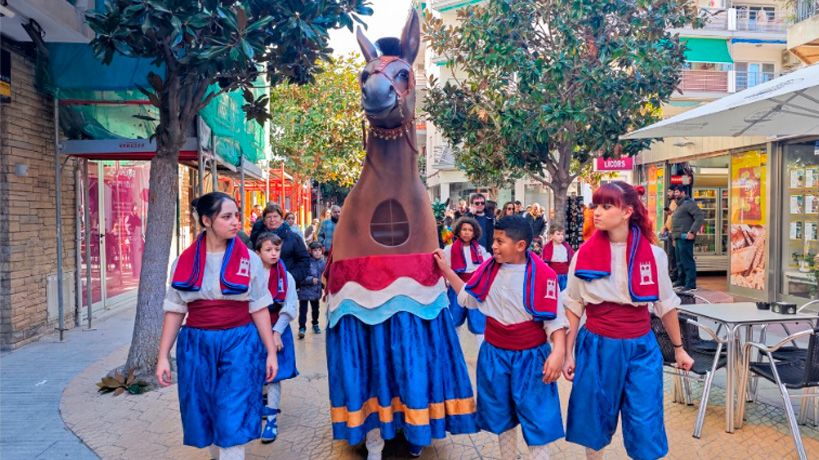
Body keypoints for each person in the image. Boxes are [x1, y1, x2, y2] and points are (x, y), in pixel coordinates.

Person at [561, 181, 694, 460]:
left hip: (641, 346)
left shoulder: (654, 255)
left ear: (627, 211)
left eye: (606, 206)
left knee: (645, 419)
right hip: (597, 345)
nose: (597, 212)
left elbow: (666, 305)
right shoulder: (583, 255)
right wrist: (567, 353)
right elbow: (574, 305)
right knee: (595, 417)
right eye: (596, 205)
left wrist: (679, 348)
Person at [434, 215, 568, 460]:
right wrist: (446, 270)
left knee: (537, 419)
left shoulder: (543, 275)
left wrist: (559, 352)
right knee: (502, 416)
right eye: (493, 240)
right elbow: (467, 298)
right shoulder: (488, 270)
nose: (493, 246)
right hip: (495, 355)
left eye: (500, 241)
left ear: (520, 245)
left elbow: (555, 319)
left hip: (531, 358)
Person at [156, 192, 278, 460]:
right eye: (227, 216)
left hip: (240, 342)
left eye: (237, 215)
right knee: (205, 408)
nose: (236, 222)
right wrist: (163, 356)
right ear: (206, 220)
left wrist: (270, 351)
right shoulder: (183, 262)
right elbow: (175, 311)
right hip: (197, 344)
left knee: (234, 409)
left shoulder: (250, 259)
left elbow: (259, 307)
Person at [255, 232, 299, 444]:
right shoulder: (251, 276)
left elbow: (290, 306)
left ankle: (271, 420)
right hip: (253, 330)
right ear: (258, 252)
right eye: (268, 250)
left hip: (277, 328)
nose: (273, 254)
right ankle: (257, 410)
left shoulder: (286, 277)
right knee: (255, 373)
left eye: (277, 250)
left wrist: (277, 332)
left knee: (274, 375)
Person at [442, 217, 490, 347]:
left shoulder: (480, 250)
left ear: (475, 233)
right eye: (464, 229)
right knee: (454, 320)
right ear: (459, 231)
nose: (467, 232)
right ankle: (455, 351)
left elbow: (487, 267)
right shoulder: (450, 249)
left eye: (470, 230)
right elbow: (445, 267)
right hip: (456, 288)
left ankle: (482, 351)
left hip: (475, 288)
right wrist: (448, 281)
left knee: (479, 322)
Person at [249, 204, 310, 284]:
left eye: (275, 216)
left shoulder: (294, 238)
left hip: (288, 282)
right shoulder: (256, 238)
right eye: (269, 217)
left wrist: (291, 277)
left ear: (281, 219)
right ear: (264, 221)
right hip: (262, 283)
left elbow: (304, 260)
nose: (272, 220)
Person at [670, 185, 704, 291]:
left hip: (685, 237)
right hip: (678, 237)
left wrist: (692, 231)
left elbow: (699, 217)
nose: (675, 194)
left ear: (683, 193)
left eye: (677, 192)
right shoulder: (679, 205)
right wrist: (674, 238)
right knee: (679, 261)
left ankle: (690, 284)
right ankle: (682, 281)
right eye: (675, 192)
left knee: (687, 261)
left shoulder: (688, 203)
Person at [297, 241, 326, 338]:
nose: (317, 252)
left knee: (315, 310)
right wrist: (310, 279)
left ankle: (315, 324)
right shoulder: (306, 262)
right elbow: (301, 276)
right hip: (304, 291)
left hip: (316, 291)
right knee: (303, 311)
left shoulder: (323, 263)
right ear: (310, 251)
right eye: (315, 250)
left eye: (319, 250)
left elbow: (324, 276)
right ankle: (302, 328)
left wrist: (324, 284)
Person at [542, 224, 574, 291]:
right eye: (558, 234)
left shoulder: (566, 246)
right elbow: (545, 262)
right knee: (553, 292)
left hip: (565, 275)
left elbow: (572, 259)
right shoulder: (547, 247)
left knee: (564, 292)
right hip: (553, 275)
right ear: (552, 236)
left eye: (562, 234)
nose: (561, 236)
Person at [124, 205, 144, 279]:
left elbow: (140, 224)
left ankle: (138, 272)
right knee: (133, 256)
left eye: (137, 210)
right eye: (135, 210)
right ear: (131, 210)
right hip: (132, 239)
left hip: (137, 239)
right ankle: (134, 273)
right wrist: (132, 235)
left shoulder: (137, 217)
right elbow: (128, 228)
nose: (136, 211)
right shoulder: (128, 218)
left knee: (138, 256)